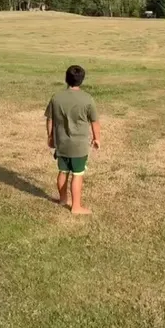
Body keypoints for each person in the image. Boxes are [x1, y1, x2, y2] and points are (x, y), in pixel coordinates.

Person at [45, 65, 100, 215]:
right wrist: (97, 138)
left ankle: (63, 199)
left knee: (63, 171)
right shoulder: (87, 99)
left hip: (62, 143)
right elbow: (94, 121)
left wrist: (50, 137)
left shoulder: (56, 98)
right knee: (77, 174)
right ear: (82, 80)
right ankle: (76, 207)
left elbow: (50, 120)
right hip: (79, 146)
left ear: (66, 78)